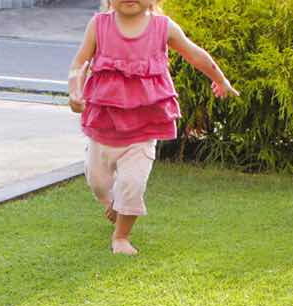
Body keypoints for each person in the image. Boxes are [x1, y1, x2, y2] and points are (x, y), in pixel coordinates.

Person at [68, 0, 239, 255]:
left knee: (133, 183)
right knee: (98, 182)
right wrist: (75, 92)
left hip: (144, 128)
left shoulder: (163, 27)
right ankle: (113, 202)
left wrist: (220, 79)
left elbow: (194, 54)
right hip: (104, 127)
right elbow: (79, 64)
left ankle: (121, 237)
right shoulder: (98, 25)